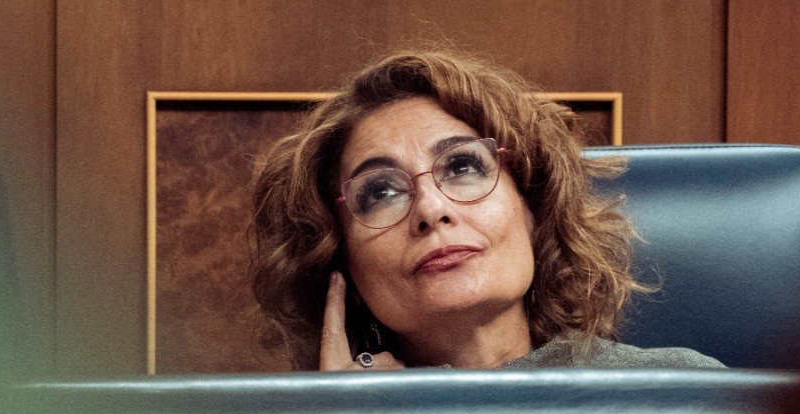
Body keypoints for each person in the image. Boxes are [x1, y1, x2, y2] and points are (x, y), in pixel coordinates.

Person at [247, 49, 723, 371]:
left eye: (462, 166)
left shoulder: (689, 391)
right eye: (381, 193)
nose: (431, 209)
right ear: (340, 261)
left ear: (533, 206)